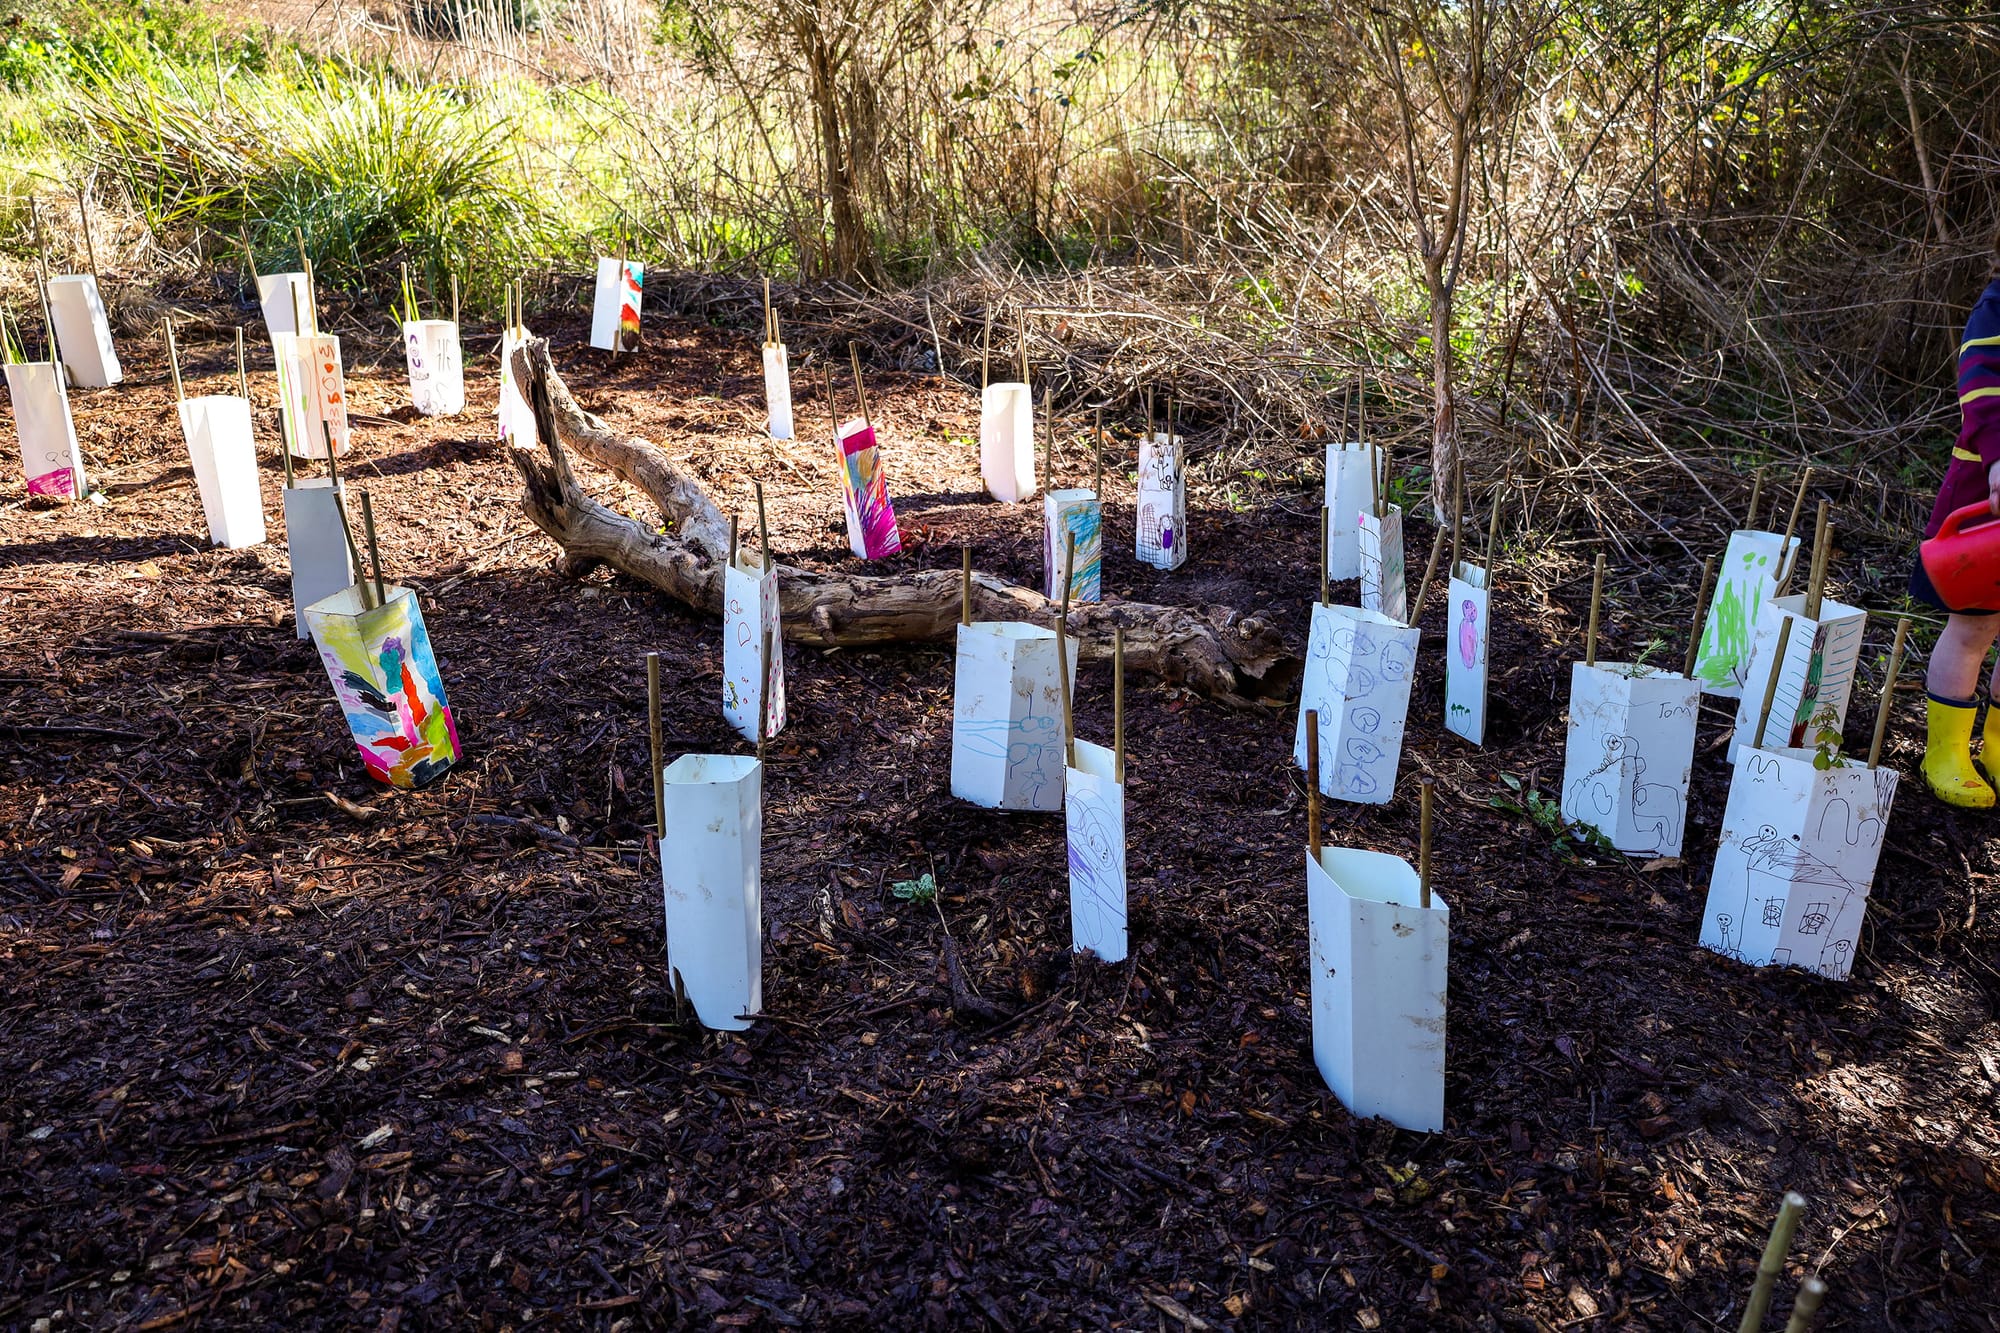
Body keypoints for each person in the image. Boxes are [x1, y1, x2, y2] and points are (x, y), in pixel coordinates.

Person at [1913, 228, 2000, 807]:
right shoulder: (1997, 306)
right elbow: (1982, 384)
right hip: (1987, 501)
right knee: (1972, 627)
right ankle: (1945, 751)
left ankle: (1998, 746)